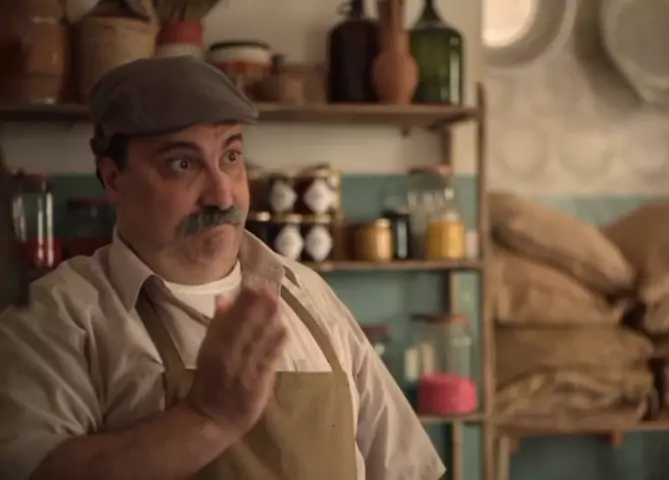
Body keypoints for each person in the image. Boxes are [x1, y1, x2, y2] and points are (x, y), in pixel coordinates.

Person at [0, 56, 445, 480]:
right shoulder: (57, 317)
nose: (222, 195)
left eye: (230, 157)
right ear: (115, 178)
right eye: (183, 164)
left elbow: (404, 468)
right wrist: (207, 419)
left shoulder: (307, 293)